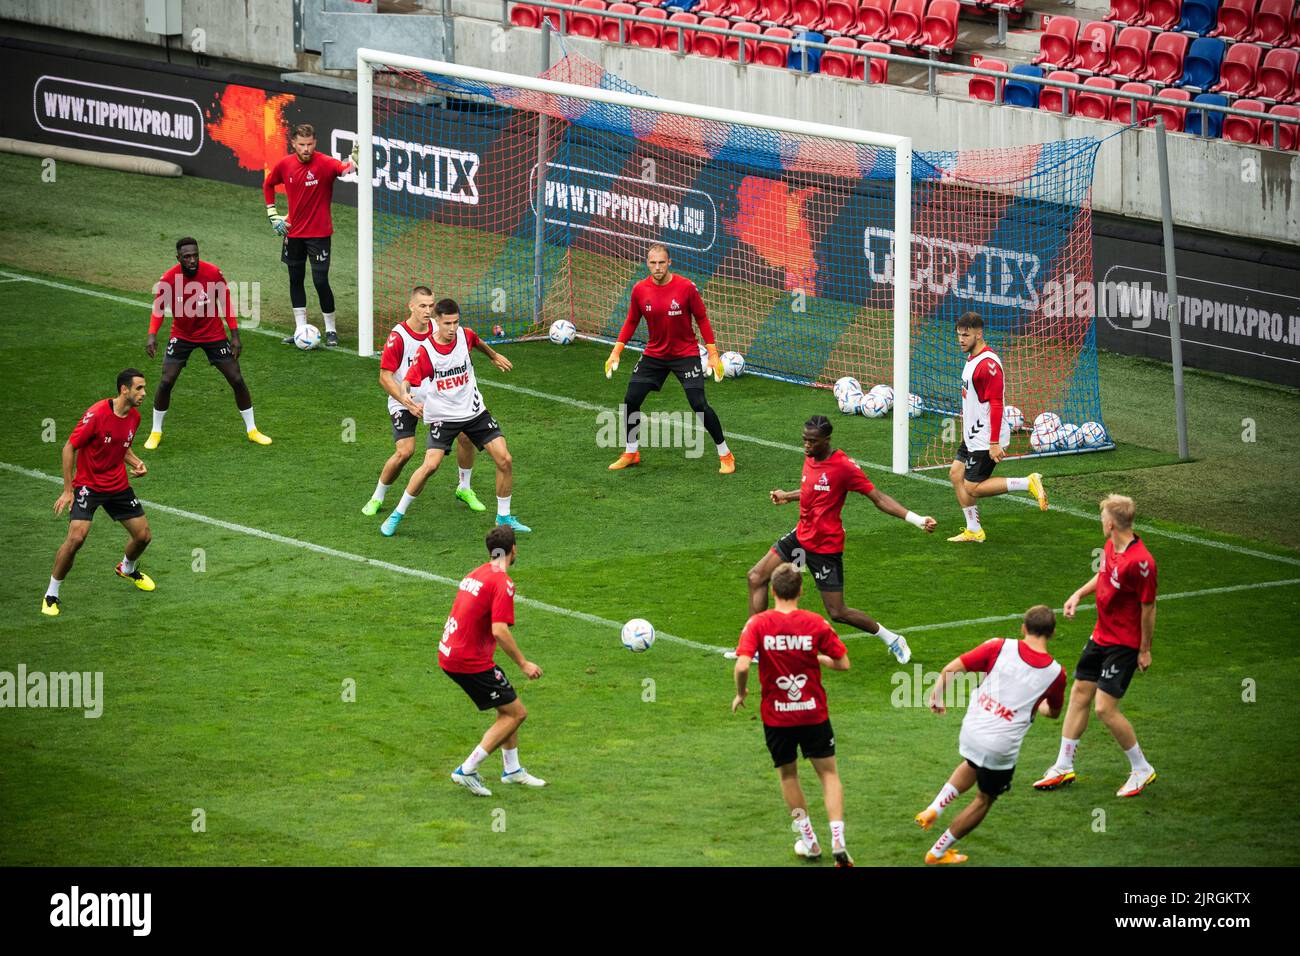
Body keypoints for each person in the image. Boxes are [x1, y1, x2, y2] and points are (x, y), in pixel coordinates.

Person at [748, 415, 936, 665]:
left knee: (838, 612)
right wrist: (788, 496)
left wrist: (917, 519)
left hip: (825, 548)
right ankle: (757, 648)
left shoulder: (844, 467)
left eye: (812, 441)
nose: (806, 445)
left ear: (826, 440)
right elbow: (811, 489)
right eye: (804, 440)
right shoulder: (811, 456)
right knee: (756, 577)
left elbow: (878, 498)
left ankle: (892, 638)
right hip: (801, 536)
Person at [915, 605, 1066, 865]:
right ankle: (938, 852)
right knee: (985, 799)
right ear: (1052, 634)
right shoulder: (1056, 673)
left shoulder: (998, 646)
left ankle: (934, 808)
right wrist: (1036, 704)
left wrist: (937, 697)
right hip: (1000, 745)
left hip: (972, 728)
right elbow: (1053, 713)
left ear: (1023, 628)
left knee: (973, 763)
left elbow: (950, 669)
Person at [1034, 494, 1159, 798]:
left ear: (1111, 523)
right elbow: (1103, 576)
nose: (1100, 522)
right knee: (1079, 694)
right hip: (1100, 635)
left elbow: (1148, 607)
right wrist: (1078, 594)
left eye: (1102, 517)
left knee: (1104, 708)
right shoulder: (1111, 546)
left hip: (1123, 643)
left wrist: (1144, 649)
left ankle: (1142, 768)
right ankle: (1063, 765)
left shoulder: (1141, 563)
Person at [733, 562, 853, 866]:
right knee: (828, 775)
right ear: (800, 591)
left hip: (777, 717)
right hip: (814, 714)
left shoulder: (758, 624)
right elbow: (844, 663)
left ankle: (810, 840)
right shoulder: (815, 623)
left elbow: (743, 664)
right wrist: (822, 660)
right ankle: (838, 838)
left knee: (788, 776)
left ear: (772, 591)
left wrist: (741, 692)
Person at [381, 298, 530, 535]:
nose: (452, 328)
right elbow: (409, 379)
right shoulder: (427, 352)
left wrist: (493, 356)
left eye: (456, 322)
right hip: (444, 416)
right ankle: (397, 513)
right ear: (437, 321)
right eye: (447, 323)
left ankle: (504, 518)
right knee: (430, 466)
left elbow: (477, 342)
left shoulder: (464, 335)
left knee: (505, 459)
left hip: (474, 412)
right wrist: (406, 397)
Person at [604, 243, 735, 474]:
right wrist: (616, 351)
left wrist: (713, 354)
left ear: (669, 262)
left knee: (699, 404)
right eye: (653, 263)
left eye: (661, 262)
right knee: (631, 400)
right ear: (647, 263)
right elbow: (632, 320)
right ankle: (631, 451)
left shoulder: (686, 288)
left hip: (685, 354)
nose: (657, 268)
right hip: (654, 354)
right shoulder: (639, 289)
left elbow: (702, 318)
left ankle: (725, 454)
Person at [441, 525, 545, 796]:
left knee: (506, 707)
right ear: (513, 550)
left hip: (451, 652)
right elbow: (499, 629)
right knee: (517, 713)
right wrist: (523, 663)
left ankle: (512, 770)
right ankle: (467, 770)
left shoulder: (477, 573)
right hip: (469, 660)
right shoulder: (502, 582)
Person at [361, 286, 482, 517]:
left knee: (466, 436)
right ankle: (377, 496)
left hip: (437, 400)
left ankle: (464, 488)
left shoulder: (442, 328)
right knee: (405, 452)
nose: (428, 311)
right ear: (411, 306)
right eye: (423, 306)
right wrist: (407, 402)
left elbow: (465, 345)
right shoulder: (399, 337)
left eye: (431, 306)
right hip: (405, 401)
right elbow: (385, 377)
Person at [43, 369, 155, 616]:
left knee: (143, 536)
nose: (144, 393)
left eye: (144, 388)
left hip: (117, 485)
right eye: (139, 388)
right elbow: (69, 447)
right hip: (88, 486)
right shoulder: (96, 414)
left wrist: (136, 463)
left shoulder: (134, 417)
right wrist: (68, 490)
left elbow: (120, 445)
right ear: (124, 390)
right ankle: (51, 594)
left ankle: (127, 569)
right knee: (76, 539)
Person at [144, 237, 271, 449]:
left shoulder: (212, 273)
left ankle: (252, 430)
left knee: (236, 378)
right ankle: (155, 432)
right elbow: (158, 308)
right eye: (187, 257)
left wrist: (235, 334)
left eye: (195, 255)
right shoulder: (168, 279)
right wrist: (152, 335)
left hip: (212, 333)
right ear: (179, 258)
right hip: (182, 334)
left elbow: (225, 301)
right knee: (167, 381)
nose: (192, 260)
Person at [946, 312, 1047, 543]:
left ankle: (1027, 482)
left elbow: (997, 403)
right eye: (959, 335)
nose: (961, 340)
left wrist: (993, 443)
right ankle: (974, 530)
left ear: (979, 334)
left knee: (972, 487)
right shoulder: (973, 358)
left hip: (985, 436)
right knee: (955, 474)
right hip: (973, 433)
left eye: (966, 335)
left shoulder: (988, 365)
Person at [263, 123, 356, 348]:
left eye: (310, 144)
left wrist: (354, 162)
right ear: (293, 143)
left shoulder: (324, 163)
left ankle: (331, 329)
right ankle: (300, 330)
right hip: (293, 233)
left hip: (319, 235)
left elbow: (344, 170)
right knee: (295, 280)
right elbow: (268, 184)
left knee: (320, 281)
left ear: (315, 143)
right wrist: (273, 213)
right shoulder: (285, 165)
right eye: (302, 145)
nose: (306, 149)